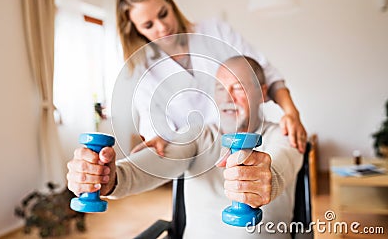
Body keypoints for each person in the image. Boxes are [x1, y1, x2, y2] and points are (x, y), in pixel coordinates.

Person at [67, 56, 303, 238]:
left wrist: (264, 183)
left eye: (239, 87)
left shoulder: (283, 134)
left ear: (262, 93)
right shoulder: (198, 135)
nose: (227, 97)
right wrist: (110, 177)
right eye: (220, 87)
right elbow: (154, 164)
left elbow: (280, 166)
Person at [115, 0, 308, 153]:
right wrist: (157, 142)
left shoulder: (215, 31)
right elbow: (153, 125)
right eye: (148, 25)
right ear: (135, 30)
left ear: (170, 4)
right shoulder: (143, 71)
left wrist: (292, 112)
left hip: (245, 144)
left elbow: (264, 73)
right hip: (195, 161)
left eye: (163, 14)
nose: (162, 27)